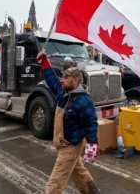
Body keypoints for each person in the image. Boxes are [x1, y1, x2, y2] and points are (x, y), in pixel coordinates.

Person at [37, 52, 100, 194]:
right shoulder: (63, 92)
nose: (62, 80)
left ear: (76, 80)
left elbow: (91, 124)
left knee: (54, 184)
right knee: (79, 174)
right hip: (61, 143)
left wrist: (92, 147)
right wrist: (44, 61)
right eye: (62, 77)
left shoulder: (85, 101)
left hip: (71, 146)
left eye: (66, 77)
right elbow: (51, 78)